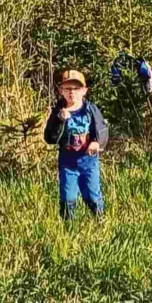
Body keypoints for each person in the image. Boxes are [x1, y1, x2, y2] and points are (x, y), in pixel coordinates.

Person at [43, 69, 109, 220]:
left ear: (84, 90)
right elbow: (50, 137)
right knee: (68, 196)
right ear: (61, 91)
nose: (72, 92)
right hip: (68, 161)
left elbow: (102, 129)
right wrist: (60, 120)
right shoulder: (58, 111)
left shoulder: (91, 110)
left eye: (76, 88)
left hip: (88, 161)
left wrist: (96, 142)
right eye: (67, 88)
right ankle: (68, 227)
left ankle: (99, 220)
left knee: (92, 194)